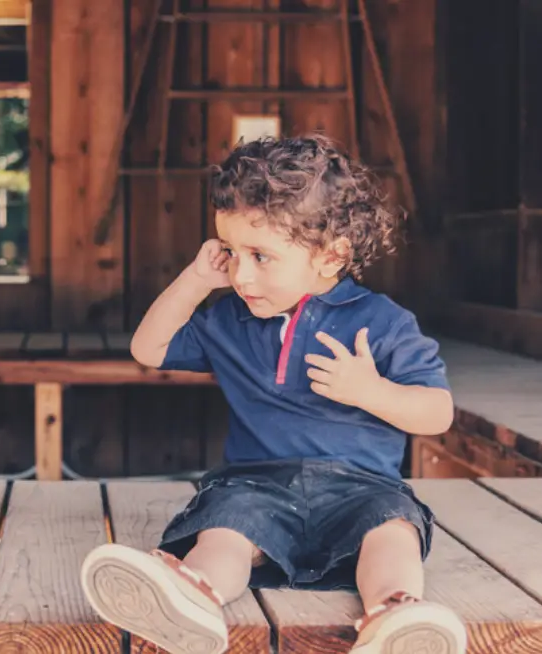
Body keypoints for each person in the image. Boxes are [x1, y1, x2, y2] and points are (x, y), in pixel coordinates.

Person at [80, 134, 467, 654]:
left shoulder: (382, 323)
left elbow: (437, 413)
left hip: (362, 489)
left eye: (260, 256)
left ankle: (395, 617)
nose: (240, 274)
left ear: (332, 257)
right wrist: (196, 280)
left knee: (393, 529)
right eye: (231, 252)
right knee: (226, 528)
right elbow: (150, 347)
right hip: (256, 485)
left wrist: (370, 390)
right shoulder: (228, 320)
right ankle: (192, 597)